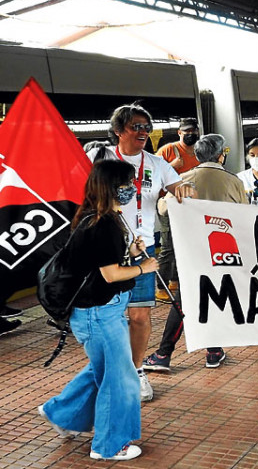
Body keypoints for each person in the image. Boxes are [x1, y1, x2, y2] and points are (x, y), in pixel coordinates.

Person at [37, 159, 161, 461]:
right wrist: (143, 266)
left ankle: (62, 413)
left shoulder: (94, 217)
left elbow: (98, 263)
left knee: (102, 370)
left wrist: (129, 253)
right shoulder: (103, 224)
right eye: (126, 184)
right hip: (99, 314)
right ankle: (110, 445)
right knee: (121, 379)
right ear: (109, 187)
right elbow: (110, 274)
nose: (132, 189)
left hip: (99, 312)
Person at [87, 104, 193, 403]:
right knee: (104, 316)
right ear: (119, 130)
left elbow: (179, 185)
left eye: (147, 127)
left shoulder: (157, 164)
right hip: (105, 245)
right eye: (136, 126)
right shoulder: (100, 157)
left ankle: (136, 370)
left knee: (140, 315)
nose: (143, 132)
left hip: (143, 248)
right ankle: (98, 374)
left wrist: (186, 189)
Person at [144, 135, 246, 372]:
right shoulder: (234, 182)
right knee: (212, 298)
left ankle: (167, 353)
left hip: (192, 250)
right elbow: (244, 215)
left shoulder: (184, 179)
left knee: (187, 299)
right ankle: (209, 351)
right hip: (223, 251)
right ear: (221, 155)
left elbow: (163, 208)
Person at [155, 117, 201, 302]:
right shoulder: (167, 151)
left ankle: (174, 279)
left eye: (193, 131)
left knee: (185, 243)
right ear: (179, 132)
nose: (191, 134)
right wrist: (172, 167)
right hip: (170, 204)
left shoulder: (199, 152)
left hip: (192, 204)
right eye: (187, 131)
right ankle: (161, 286)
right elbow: (151, 176)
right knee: (168, 245)